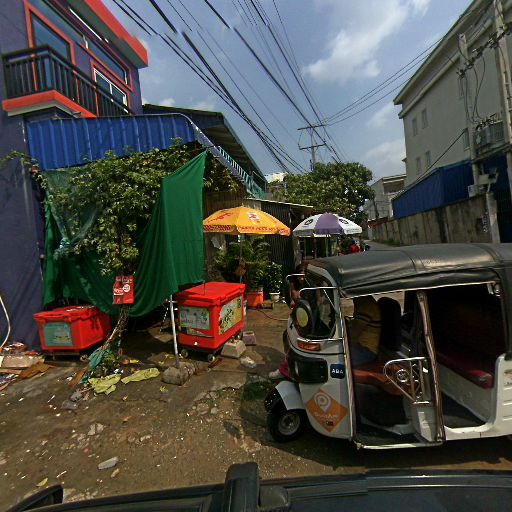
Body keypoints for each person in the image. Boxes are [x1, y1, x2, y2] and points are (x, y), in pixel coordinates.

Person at [348, 295, 382, 367]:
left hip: (366, 350)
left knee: (338, 356)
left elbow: (354, 333)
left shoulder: (366, 304)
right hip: (360, 346)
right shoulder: (361, 301)